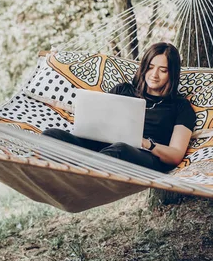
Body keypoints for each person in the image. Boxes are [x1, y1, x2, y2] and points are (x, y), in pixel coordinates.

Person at [42, 42, 195, 172]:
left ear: (172, 74)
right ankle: (77, 170)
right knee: (52, 135)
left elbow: (175, 155)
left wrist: (145, 143)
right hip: (102, 149)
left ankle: (80, 173)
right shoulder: (123, 90)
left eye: (163, 70)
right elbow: (98, 121)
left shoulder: (180, 107)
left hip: (143, 156)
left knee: (119, 149)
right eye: (150, 67)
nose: (154, 74)